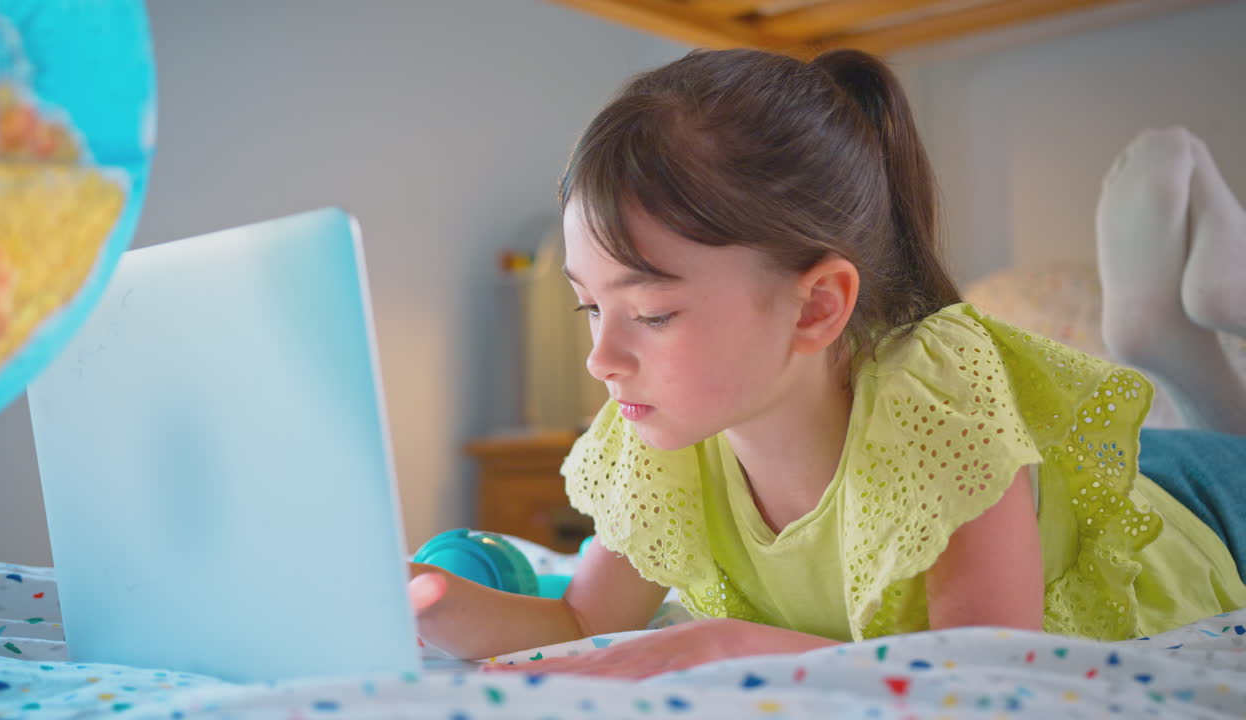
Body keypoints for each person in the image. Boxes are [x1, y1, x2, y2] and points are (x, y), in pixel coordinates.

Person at [409, 48, 1246, 679]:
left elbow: (987, 668)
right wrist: (412, 595)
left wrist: (726, 644)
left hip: (1207, 506)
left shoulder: (942, 398)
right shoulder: (665, 430)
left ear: (815, 307)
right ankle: (1164, 337)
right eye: (590, 307)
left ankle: (1173, 321)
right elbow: (578, 622)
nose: (602, 358)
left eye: (653, 314)